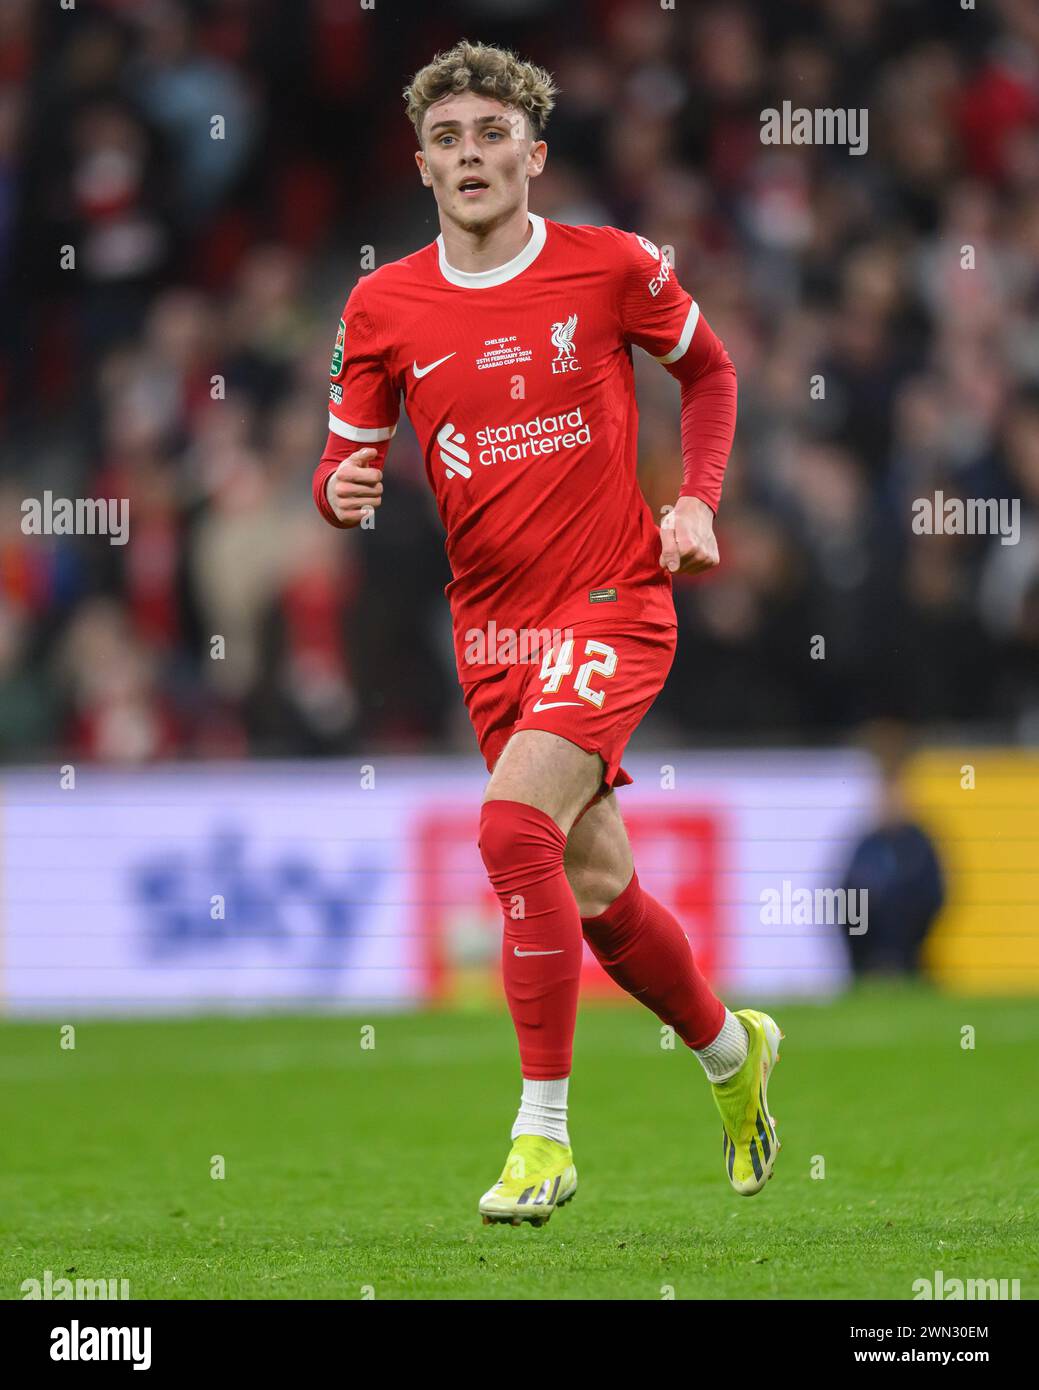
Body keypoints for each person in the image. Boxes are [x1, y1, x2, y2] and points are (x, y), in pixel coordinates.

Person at [312, 40, 782, 1225]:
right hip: (491, 634)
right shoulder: (381, 304)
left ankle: (542, 1137)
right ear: (422, 165)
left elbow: (712, 374)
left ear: (534, 152)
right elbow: (340, 465)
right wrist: (340, 490)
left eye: (492, 135)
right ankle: (732, 1055)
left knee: (512, 827)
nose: (471, 156)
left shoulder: (610, 266)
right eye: (449, 140)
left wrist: (694, 500)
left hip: (616, 599)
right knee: (597, 879)